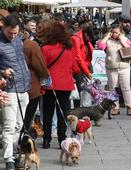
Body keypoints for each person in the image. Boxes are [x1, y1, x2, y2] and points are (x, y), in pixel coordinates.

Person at [37, 20, 79, 149]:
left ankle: (46, 139)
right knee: (62, 114)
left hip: (50, 86)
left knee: (48, 114)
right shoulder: (69, 49)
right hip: (65, 86)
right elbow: (75, 68)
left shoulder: (45, 48)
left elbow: (42, 67)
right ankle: (62, 139)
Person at [0, 15, 31, 170]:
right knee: (9, 126)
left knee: (19, 125)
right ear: (3, 27)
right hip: (9, 89)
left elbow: (21, 60)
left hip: (23, 87)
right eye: (9, 33)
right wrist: (2, 72)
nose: (12, 36)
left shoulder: (19, 40)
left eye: (15, 33)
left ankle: (13, 153)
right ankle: (8, 159)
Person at [98, 23, 131, 116]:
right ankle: (115, 107)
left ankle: (129, 106)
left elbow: (130, 50)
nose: (115, 35)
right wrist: (106, 37)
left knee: (126, 87)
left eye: (117, 33)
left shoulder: (125, 39)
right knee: (112, 88)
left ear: (121, 32)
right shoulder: (108, 41)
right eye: (113, 33)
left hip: (124, 67)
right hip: (111, 67)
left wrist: (122, 41)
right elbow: (100, 46)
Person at [71, 24, 94, 107]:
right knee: (78, 89)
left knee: (81, 89)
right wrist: (87, 72)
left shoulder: (84, 39)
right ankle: (77, 110)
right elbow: (78, 57)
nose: (90, 39)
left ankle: (80, 108)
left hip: (83, 67)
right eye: (90, 37)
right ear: (86, 34)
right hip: (77, 68)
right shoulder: (76, 38)